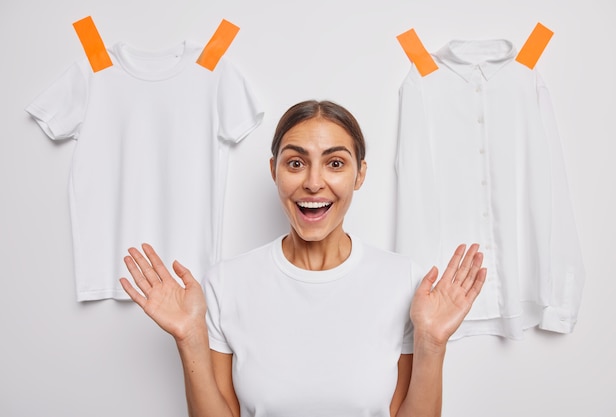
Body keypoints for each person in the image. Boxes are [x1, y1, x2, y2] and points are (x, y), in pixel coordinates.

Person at [120, 100, 487, 417]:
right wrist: (189, 338)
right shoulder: (226, 283)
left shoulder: (402, 280)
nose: (313, 183)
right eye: (295, 163)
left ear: (360, 174)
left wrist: (432, 342)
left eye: (335, 164)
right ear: (273, 171)